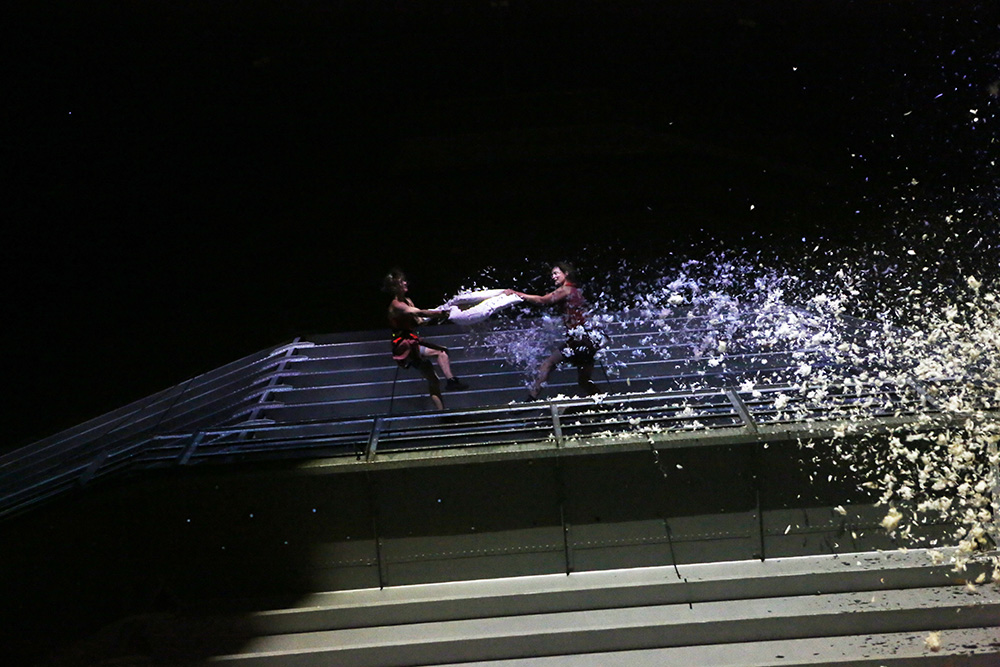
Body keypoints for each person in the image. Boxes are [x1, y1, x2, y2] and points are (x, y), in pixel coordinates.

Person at [506, 262, 601, 400]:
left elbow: (542, 300)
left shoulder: (566, 290)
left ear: (566, 273)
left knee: (548, 364)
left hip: (579, 340)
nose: (553, 277)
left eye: (556, 273)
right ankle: (604, 402)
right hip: (587, 340)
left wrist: (517, 294)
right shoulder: (576, 290)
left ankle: (531, 400)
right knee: (584, 381)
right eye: (552, 274)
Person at [383, 268, 468, 410]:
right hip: (405, 345)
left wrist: (438, 315)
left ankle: (442, 414)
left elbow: (419, 320)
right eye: (401, 282)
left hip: (411, 341)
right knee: (441, 352)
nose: (405, 283)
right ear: (395, 286)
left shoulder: (407, 301)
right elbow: (420, 312)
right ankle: (451, 381)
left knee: (433, 381)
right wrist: (440, 313)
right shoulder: (397, 305)